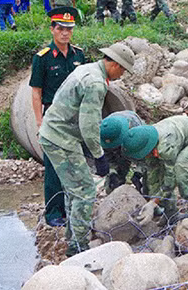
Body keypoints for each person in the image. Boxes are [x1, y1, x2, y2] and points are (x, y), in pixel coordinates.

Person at [38, 43, 136, 256]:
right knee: (85, 191)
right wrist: (99, 156)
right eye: (123, 71)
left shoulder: (87, 68)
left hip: (54, 132)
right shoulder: (95, 83)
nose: (121, 75)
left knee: (73, 188)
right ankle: (78, 248)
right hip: (60, 138)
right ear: (115, 65)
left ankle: (71, 234)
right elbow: (89, 125)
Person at [29, 7, 86, 227]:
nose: (65, 33)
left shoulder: (79, 55)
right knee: (53, 165)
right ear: (52, 29)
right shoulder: (42, 58)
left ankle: (74, 206)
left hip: (75, 116)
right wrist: (39, 122)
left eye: (69, 29)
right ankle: (54, 212)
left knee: (74, 161)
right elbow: (36, 92)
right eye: (60, 28)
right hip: (53, 116)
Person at [123, 115, 188, 223]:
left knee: (180, 166)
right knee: (154, 172)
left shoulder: (165, 147)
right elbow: (153, 174)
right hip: (179, 138)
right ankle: (170, 211)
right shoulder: (148, 139)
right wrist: (152, 198)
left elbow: (171, 178)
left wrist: (154, 202)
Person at [99, 110, 146, 193]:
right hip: (115, 136)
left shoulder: (135, 131)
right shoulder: (104, 133)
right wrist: (112, 173)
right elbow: (107, 156)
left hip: (133, 135)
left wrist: (138, 173)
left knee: (147, 185)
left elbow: (145, 155)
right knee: (111, 185)